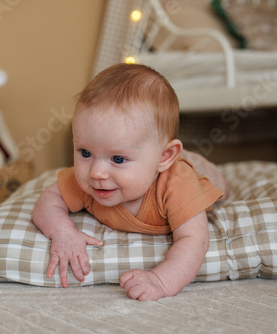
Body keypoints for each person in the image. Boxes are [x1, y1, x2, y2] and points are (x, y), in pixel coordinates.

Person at [32, 63, 229, 301]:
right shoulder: (87, 179)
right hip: (161, 159)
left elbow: (194, 240)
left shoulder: (178, 185)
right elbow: (48, 199)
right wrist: (62, 231)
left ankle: (191, 161)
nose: (97, 172)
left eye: (117, 158)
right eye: (85, 152)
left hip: (195, 171)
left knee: (221, 186)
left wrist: (159, 280)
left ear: (165, 157)